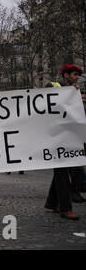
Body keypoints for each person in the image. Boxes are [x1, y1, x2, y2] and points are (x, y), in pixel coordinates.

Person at [44, 64, 84, 220]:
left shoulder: (74, 91)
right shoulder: (53, 86)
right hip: (54, 137)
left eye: (77, 76)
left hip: (65, 136)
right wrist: (69, 95)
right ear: (65, 75)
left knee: (62, 170)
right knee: (62, 171)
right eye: (74, 74)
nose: (76, 78)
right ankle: (65, 208)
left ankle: (52, 202)